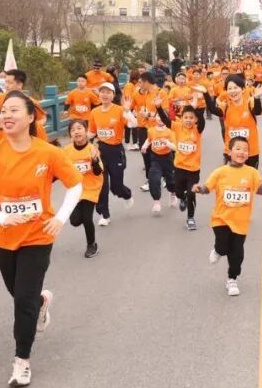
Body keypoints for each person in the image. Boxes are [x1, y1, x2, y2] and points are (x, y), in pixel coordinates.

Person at [0, 91, 84, 388]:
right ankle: (41, 302)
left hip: (38, 235)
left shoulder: (48, 153)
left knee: (22, 300)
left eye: (14, 110)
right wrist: (1, 217)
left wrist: (60, 218)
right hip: (4, 236)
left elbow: (75, 185)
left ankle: (22, 360)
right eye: (3, 112)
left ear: (31, 116)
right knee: (19, 292)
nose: (6, 116)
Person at [193, 136, 262, 296]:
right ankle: (218, 250)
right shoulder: (220, 172)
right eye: (238, 149)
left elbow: (261, 191)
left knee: (237, 254)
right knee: (223, 246)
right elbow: (207, 187)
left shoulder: (252, 172)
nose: (242, 152)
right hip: (221, 219)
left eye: (245, 150)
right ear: (229, 152)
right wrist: (199, 189)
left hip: (241, 223)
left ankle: (232, 279)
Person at [89, 81, 135, 225]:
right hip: (101, 150)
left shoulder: (120, 110)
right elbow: (92, 132)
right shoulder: (94, 112)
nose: (105, 95)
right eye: (102, 92)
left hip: (116, 151)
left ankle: (126, 194)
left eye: (108, 92)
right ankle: (105, 214)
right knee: (102, 184)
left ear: (113, 95)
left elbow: (133, 124)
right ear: (99, 94)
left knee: (116, 187)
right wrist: (79, 140)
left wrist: (127, 111)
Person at [158, 103, 206, 231]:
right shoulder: (178, 127)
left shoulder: (197, 130)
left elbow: (202, 122)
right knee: (179, 192)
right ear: (182, 118)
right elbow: (166, 121)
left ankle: (190, 218)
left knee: (191, 193)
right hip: (179, 167)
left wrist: (196, 108)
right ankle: (182, 198)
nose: (188, 120)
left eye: (191, 118)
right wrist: (158, 107)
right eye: (186, 117)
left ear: (195, 119)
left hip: (193, 170)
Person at [62, 119, 104, 258]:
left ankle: (92, 245)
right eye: (73, 130)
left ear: (86, 131)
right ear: (70, 134)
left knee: (87, 218)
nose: (76, 132)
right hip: (75, 189)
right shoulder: (67, 150)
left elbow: (98, 172)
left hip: (91, 187)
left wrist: (94, 160)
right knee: (75, 221)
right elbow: (61, 169)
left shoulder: (92, 149)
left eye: (79, 128)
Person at [207, 74, 262, 169]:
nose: (233, 91)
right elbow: (212, 110)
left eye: (235, 87)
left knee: (249, 178)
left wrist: (257, 98)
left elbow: (257, 111)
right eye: (229, 88)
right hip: (231, 152)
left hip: (250, 152)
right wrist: (205, 93)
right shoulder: (226, 106)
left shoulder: (250, 103)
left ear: (243, 89)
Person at [140, 93, 178, 215]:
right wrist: (144, 146)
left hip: (167, 158)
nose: (160, 119)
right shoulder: (151, 130)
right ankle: (156, 201)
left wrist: (167, 143)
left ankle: (173, 194)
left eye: (162, 117)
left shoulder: (170, 131)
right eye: (158, 116)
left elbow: (175, 147)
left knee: (171, 181)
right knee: (154, 179)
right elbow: (149, 140)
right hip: (155, 158)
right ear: (155, 117)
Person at [0, 69, 50, 142]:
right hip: (3, 141)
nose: (6, 85)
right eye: (6, 82)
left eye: (10, 83)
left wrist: (28, 125)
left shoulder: (31, 102)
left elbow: (43, 118)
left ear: (20, 85)